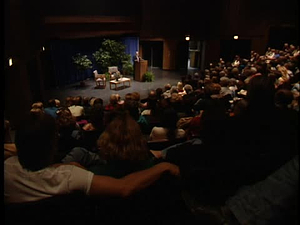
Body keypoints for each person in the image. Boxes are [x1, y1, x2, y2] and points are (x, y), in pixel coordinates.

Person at [4, 113, 180, 204]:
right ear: (53, 145)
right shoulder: (69, 176)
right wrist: (162, 166)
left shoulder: (7, 170)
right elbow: (125, 187)